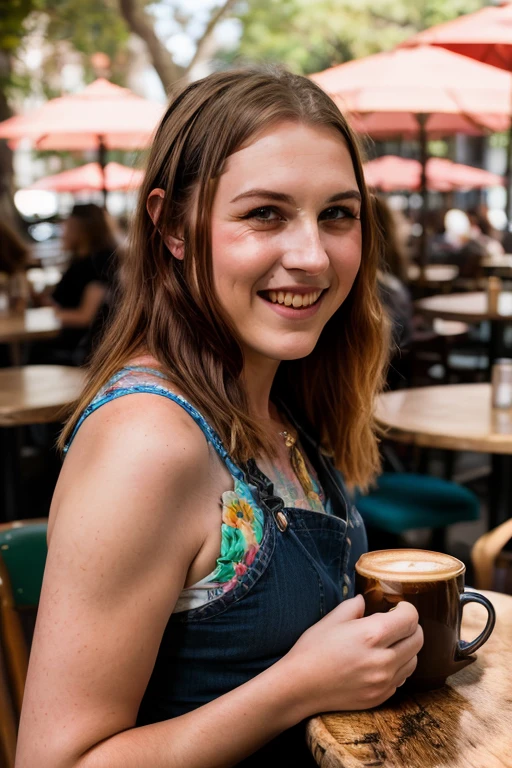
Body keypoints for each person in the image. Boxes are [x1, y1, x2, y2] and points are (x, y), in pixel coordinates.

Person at [16, 68, 423, 768]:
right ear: (172, 226)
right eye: (264, 214)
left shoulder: (278, 400)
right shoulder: (147, 442)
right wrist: (295, 688)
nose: (312, 256)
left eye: (338, 214)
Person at [33, 203, 119, 363]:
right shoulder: (82, 261)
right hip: (75, 343)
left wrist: (46, 316)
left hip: (82, 349)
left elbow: (85, 316)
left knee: (33, 352)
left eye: (67, 226)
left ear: (80, 229)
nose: (63, 233)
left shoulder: (97, 264)